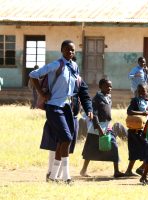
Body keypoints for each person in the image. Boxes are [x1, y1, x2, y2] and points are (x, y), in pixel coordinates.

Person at [29, 40, 93, 183]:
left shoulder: (75, 67)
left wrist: (88, 108)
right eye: (67, 49)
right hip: (54, 106)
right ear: (62, 50)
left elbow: (80, 90)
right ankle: (66, 177)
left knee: (63, 141)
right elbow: (33, 74)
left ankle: (53, 177)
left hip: (67, 108)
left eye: (73, 50)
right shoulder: (57, 64)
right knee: (66, 139)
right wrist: (42, 94)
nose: (70, 52)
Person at [80, 78, 125, 178]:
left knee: (114, 147)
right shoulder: (96, 99)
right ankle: (83, 170)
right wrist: (99, 129)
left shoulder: (108, 97)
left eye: (111, 86)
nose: (110, 88)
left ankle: (116, 171)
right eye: (107, 86)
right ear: (101, 87)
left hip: (107, 127)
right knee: (90, 151)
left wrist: (108, 126)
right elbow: (94, 115)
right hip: (96, 129)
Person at [124, 84, 148, 176]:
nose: (141, 93)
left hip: (143, 130)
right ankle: (141, 168)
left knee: (136, 151)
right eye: (139, 91)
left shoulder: (146, 101)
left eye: (143, 91)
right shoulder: (135, 101)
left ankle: (132, 170)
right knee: (146, 149)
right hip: (135, 130)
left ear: (147, 91)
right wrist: (142, 113)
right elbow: (129, 111)